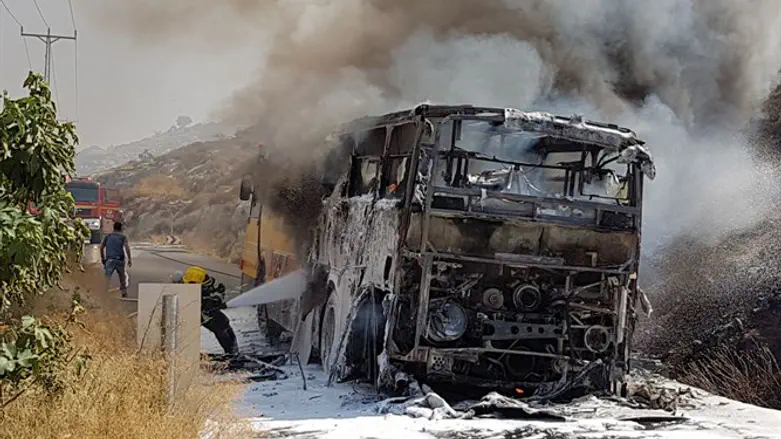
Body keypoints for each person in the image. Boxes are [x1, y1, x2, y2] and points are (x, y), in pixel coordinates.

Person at [172, 266, 239, 356]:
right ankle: (231, 352)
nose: (208, 287)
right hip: (192, 315)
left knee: (223, 322)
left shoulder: (195, 287)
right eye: (205, 285)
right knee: (220, 326)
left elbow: (213, 293)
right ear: (194, 284)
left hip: (203, 311)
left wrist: (217, 297)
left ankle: (233, 351)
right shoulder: (184, 291)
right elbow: (193, 306)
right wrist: (207, 305)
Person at [100, 221, 132, 298]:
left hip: (110, 260)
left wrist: (102, 258)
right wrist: (129, 259)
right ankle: (124, 293)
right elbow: (127, 248)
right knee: (122, 277)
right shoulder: (123, 237)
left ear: (113, 228)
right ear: (121, 228)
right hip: (120, 260)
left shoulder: (108, 236)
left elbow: (101, 247)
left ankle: (104, 292)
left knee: (107, 277)